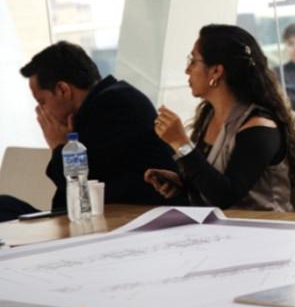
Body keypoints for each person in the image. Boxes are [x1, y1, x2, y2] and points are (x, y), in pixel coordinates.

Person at [144, 25, 295, 211]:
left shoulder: (260, 126)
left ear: (216, 71)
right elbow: (213, 184)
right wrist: (183, 184)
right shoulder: (209, 116)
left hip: (264, 232)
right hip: (223, 232)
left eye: (193, 61)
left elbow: (226, 196)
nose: (187, 70)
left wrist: (181, 143)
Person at [12, 42, 175, 216]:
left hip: (132, 218)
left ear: (62, 90)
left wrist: (60, 147)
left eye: (42, 102)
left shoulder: (115, 106)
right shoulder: (102, 102)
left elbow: (80, 190)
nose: (41, 112)